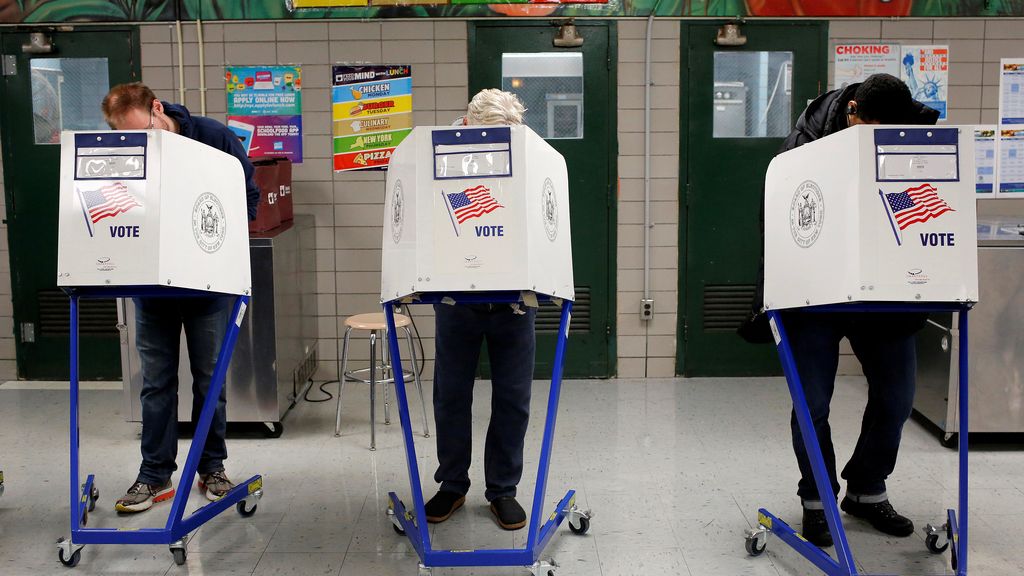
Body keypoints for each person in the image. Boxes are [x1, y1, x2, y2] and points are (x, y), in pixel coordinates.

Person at [744, 73, 939, 547]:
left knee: (897, 397)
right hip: (813, 295)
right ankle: (816, 499)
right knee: (812, 403)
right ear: (852, 113)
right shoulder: (803, 145)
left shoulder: (913, 133)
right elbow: (781, 221)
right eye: (870, 132)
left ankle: (867, 489)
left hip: (883, 292)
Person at [100, 82, 259, 513]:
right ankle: (154, 475)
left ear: (157, 108)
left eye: (144, 132)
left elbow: (248, 197)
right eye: (126, 136)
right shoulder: (125, 151)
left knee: (210, 380)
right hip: (152, 288)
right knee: (156, 383)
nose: (140, 142)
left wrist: (220, 246)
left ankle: (212, 468)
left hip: (207, 285)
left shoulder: (213, 137)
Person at [423, 89, 535, 531]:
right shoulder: (439, 156)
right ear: (468, 126)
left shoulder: (526, 152)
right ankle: (452, 484)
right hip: (457, 297)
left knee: (513, 398)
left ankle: (502, 490)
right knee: (452, 395)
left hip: (514, 299)